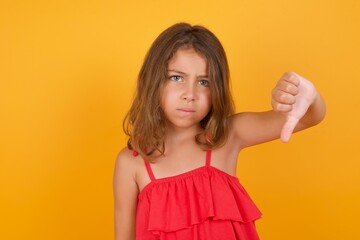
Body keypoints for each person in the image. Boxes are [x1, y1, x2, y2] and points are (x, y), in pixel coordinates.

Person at [113, 23, 326, 240]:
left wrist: (309, 94)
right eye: (176, 77)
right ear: (153, 79)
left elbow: (309, 117)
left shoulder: (228, 135)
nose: (190, 94)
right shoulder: (131, 163)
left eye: (204, 82)